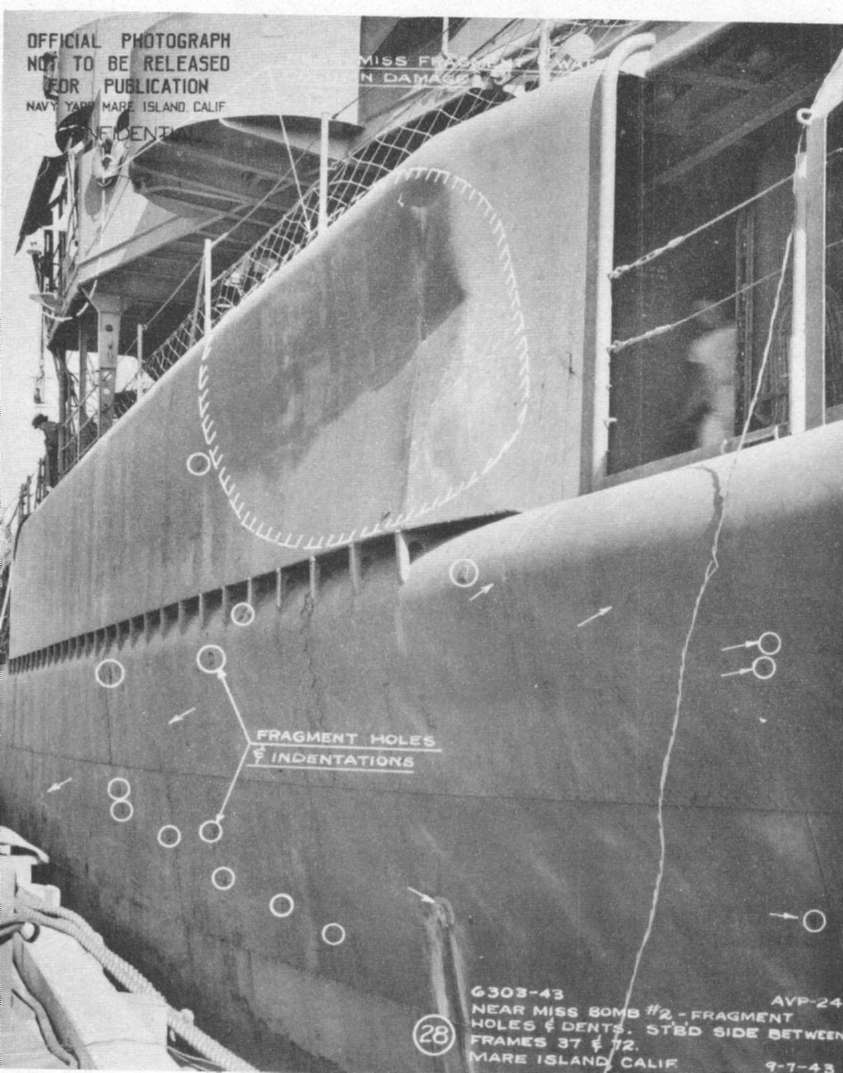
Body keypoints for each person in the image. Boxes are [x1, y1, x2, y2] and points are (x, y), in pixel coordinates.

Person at [679, 301, 737, 450]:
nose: (707, 316)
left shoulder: (738, 331)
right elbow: (702, 383)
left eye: (711, 309)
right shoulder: (700, 346)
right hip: (719, 405)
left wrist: (684, 417)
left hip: (737, 399)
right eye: (701, 313)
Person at [32, 413, 59, 488]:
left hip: (56, 450)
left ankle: (52, 483)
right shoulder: (47, 427)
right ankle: (51, 483)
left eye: (39, 426)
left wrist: (49, 445)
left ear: (41, 423)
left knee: (51, 467)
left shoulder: (47, 426)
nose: (40, 428)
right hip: (54, 450)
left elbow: (54, 440)